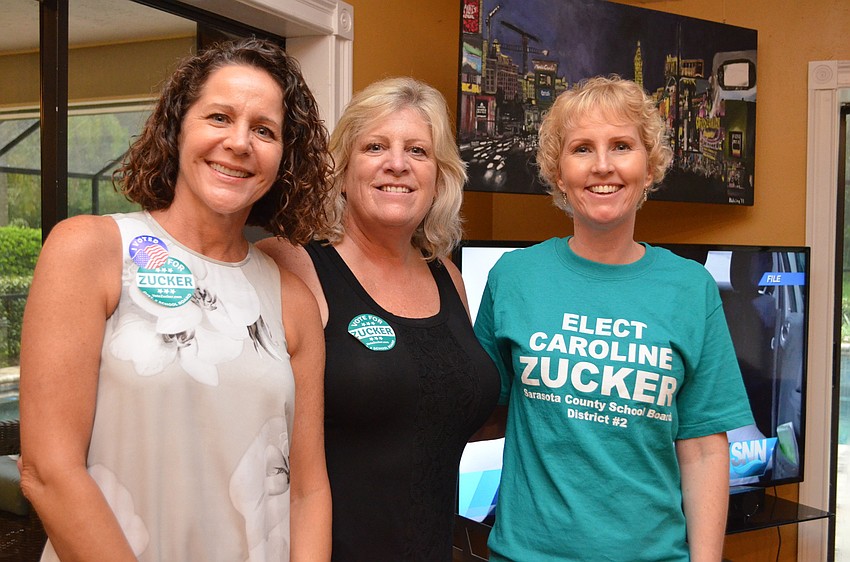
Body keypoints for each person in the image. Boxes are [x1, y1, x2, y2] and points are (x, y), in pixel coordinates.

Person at [18, 38, 332, 562]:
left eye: (264, 130)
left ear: (285, 157)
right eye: (218, 117)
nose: (239, 142)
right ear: (177, 127)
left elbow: (308, 491)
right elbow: (48, 471)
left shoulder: (291, 300)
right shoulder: (91, 250)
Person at [473, 75, 754, 562]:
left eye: (621, 146)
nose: (603, 166)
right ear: (558, 173)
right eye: (582, 149)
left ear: (650, 167)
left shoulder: (690, 288)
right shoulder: (513, 277)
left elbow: (706, 448)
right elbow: (477, 410)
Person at [257, 76, 500, 561]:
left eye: (418, 151)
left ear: (440, 175)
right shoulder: (293, 264)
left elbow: (436, 412)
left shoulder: (446, 276)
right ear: (343, 169)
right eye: (375, 147)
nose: (398, 164)